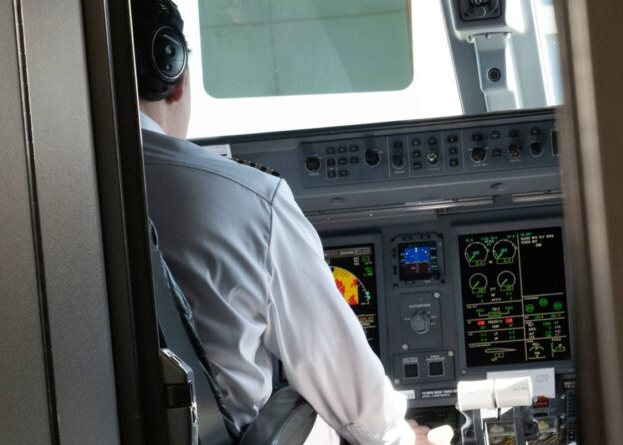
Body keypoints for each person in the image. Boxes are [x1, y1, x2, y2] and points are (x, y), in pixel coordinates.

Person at [133, 1, 434, 444]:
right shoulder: (248, 201)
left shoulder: (41, 202)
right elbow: (358, 409)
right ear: (174, 74)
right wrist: (410, 438)